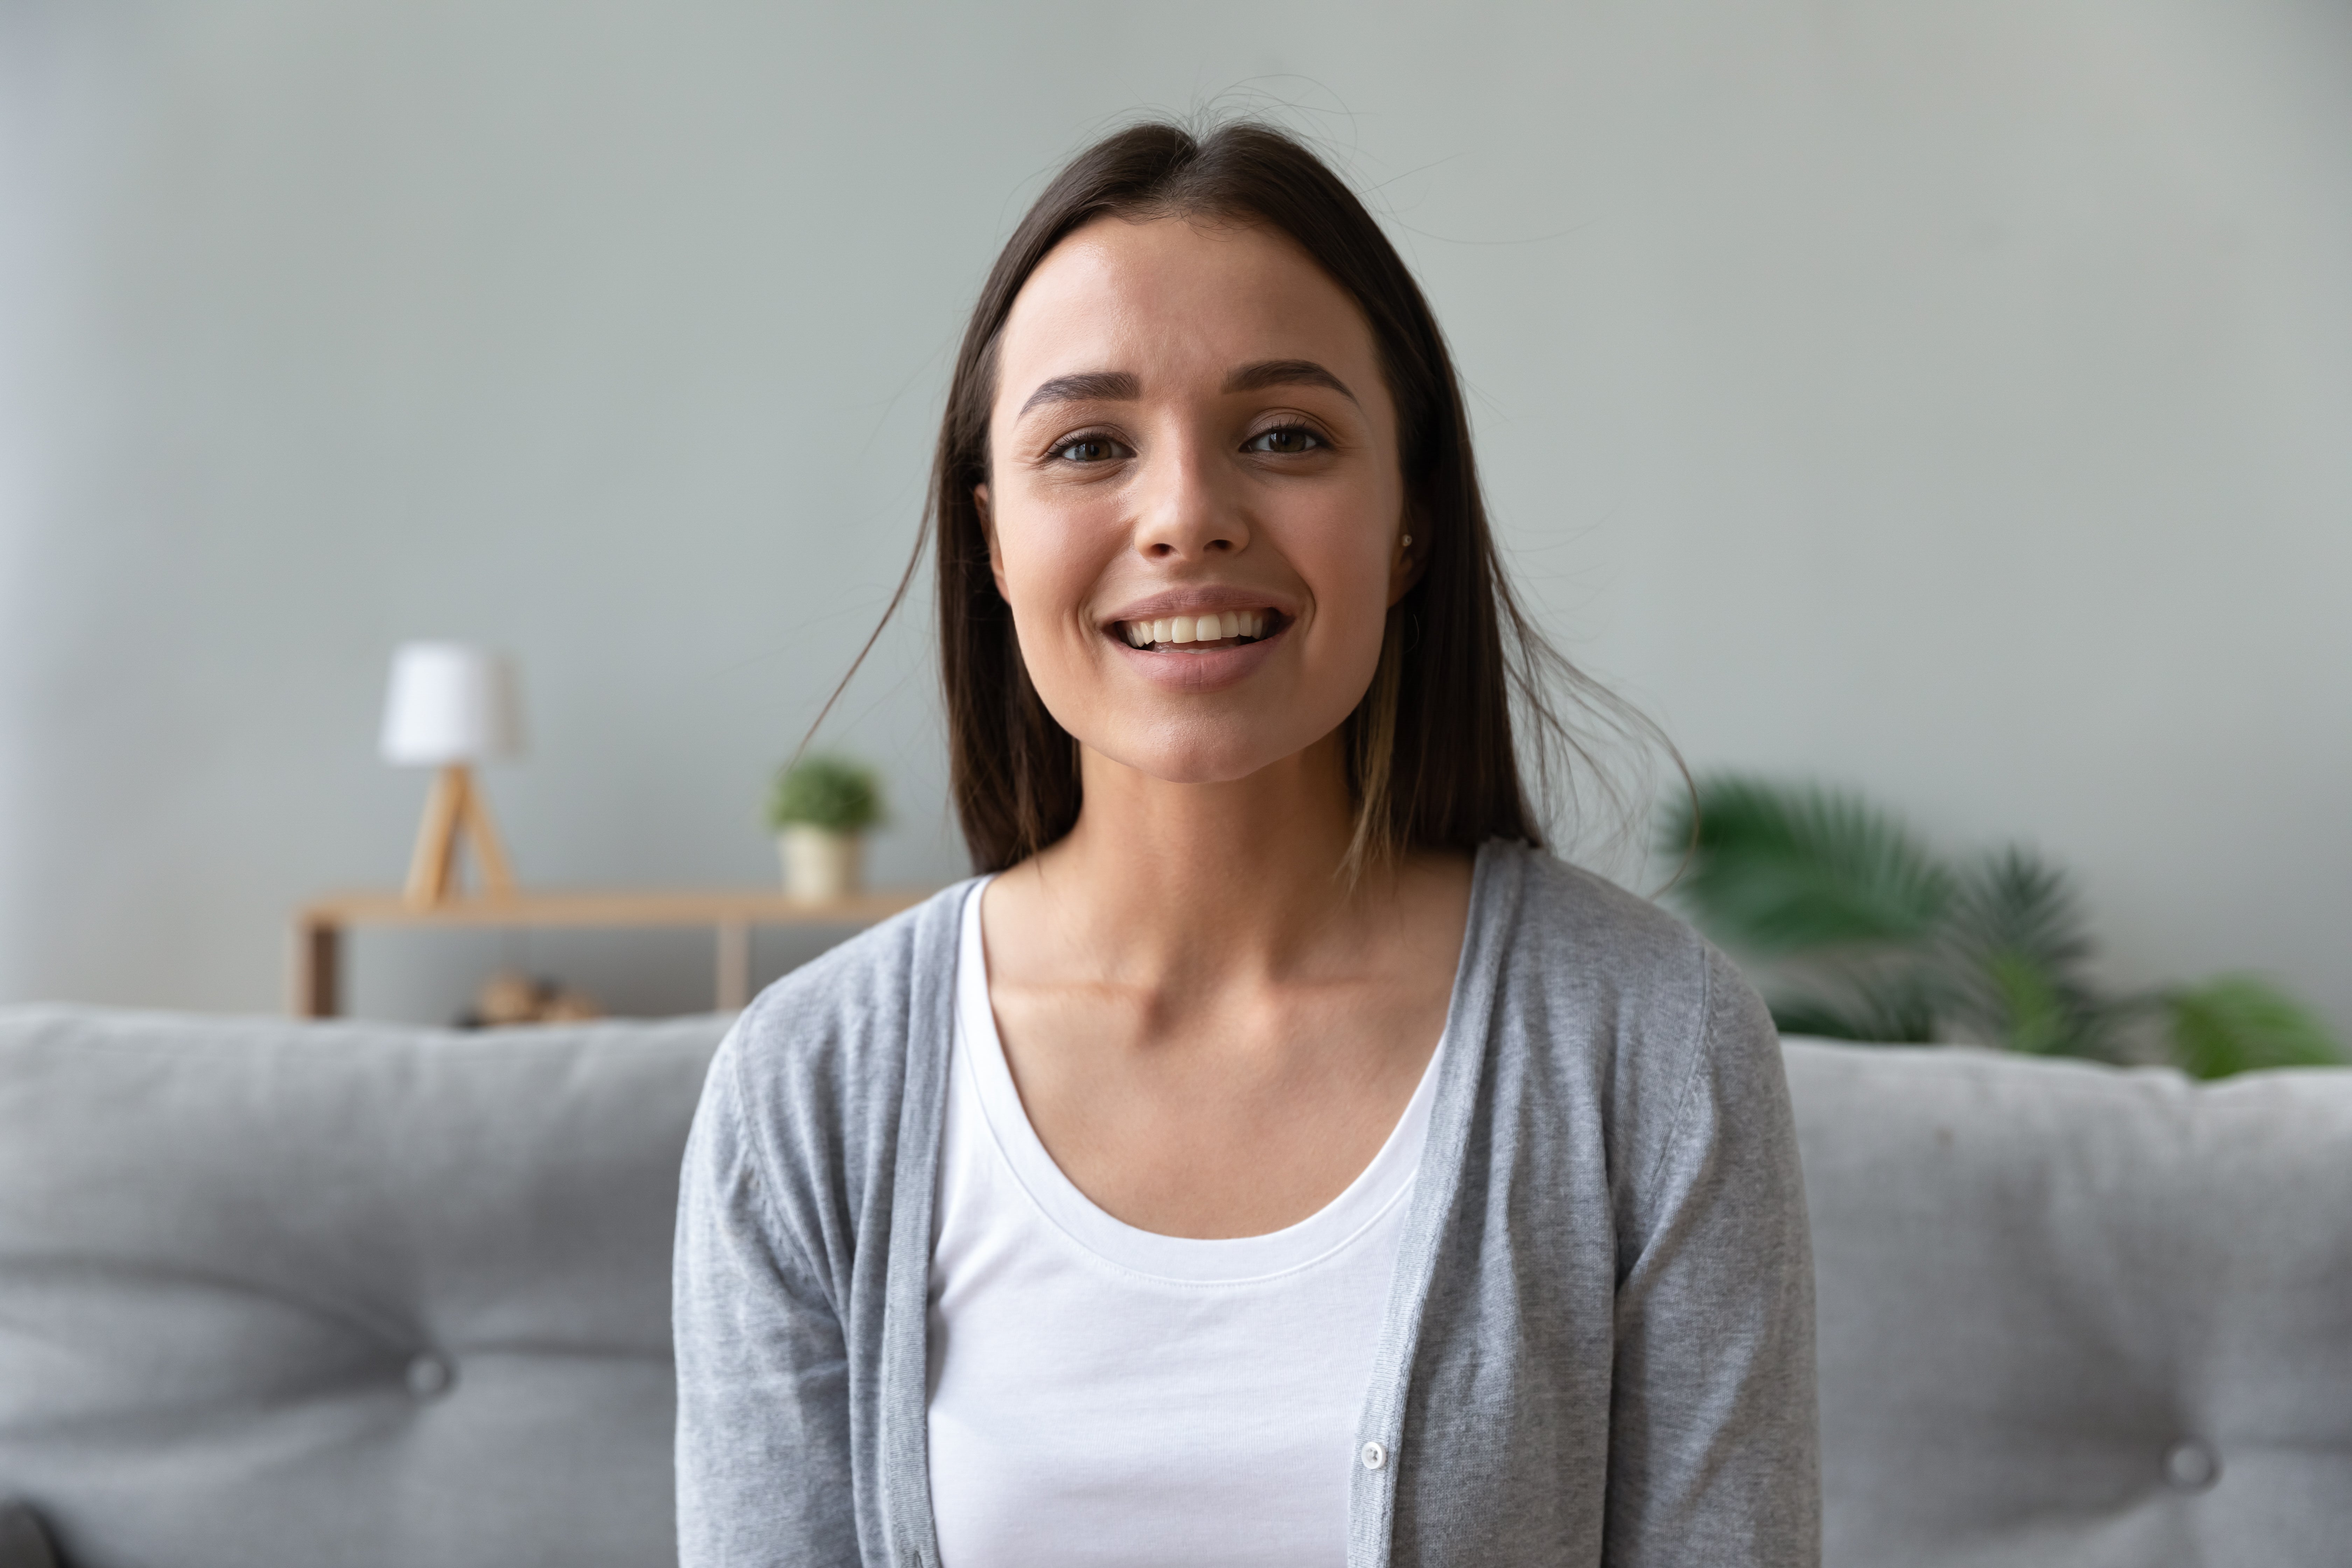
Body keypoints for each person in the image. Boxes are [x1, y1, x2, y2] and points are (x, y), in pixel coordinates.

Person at [674, 119, 1818, 1568]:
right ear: (992, 537)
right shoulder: (807, 1093)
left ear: (1409, 520)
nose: (1186, 517)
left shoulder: (1653, 1046)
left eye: (1285, 436)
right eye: (1088, 446)